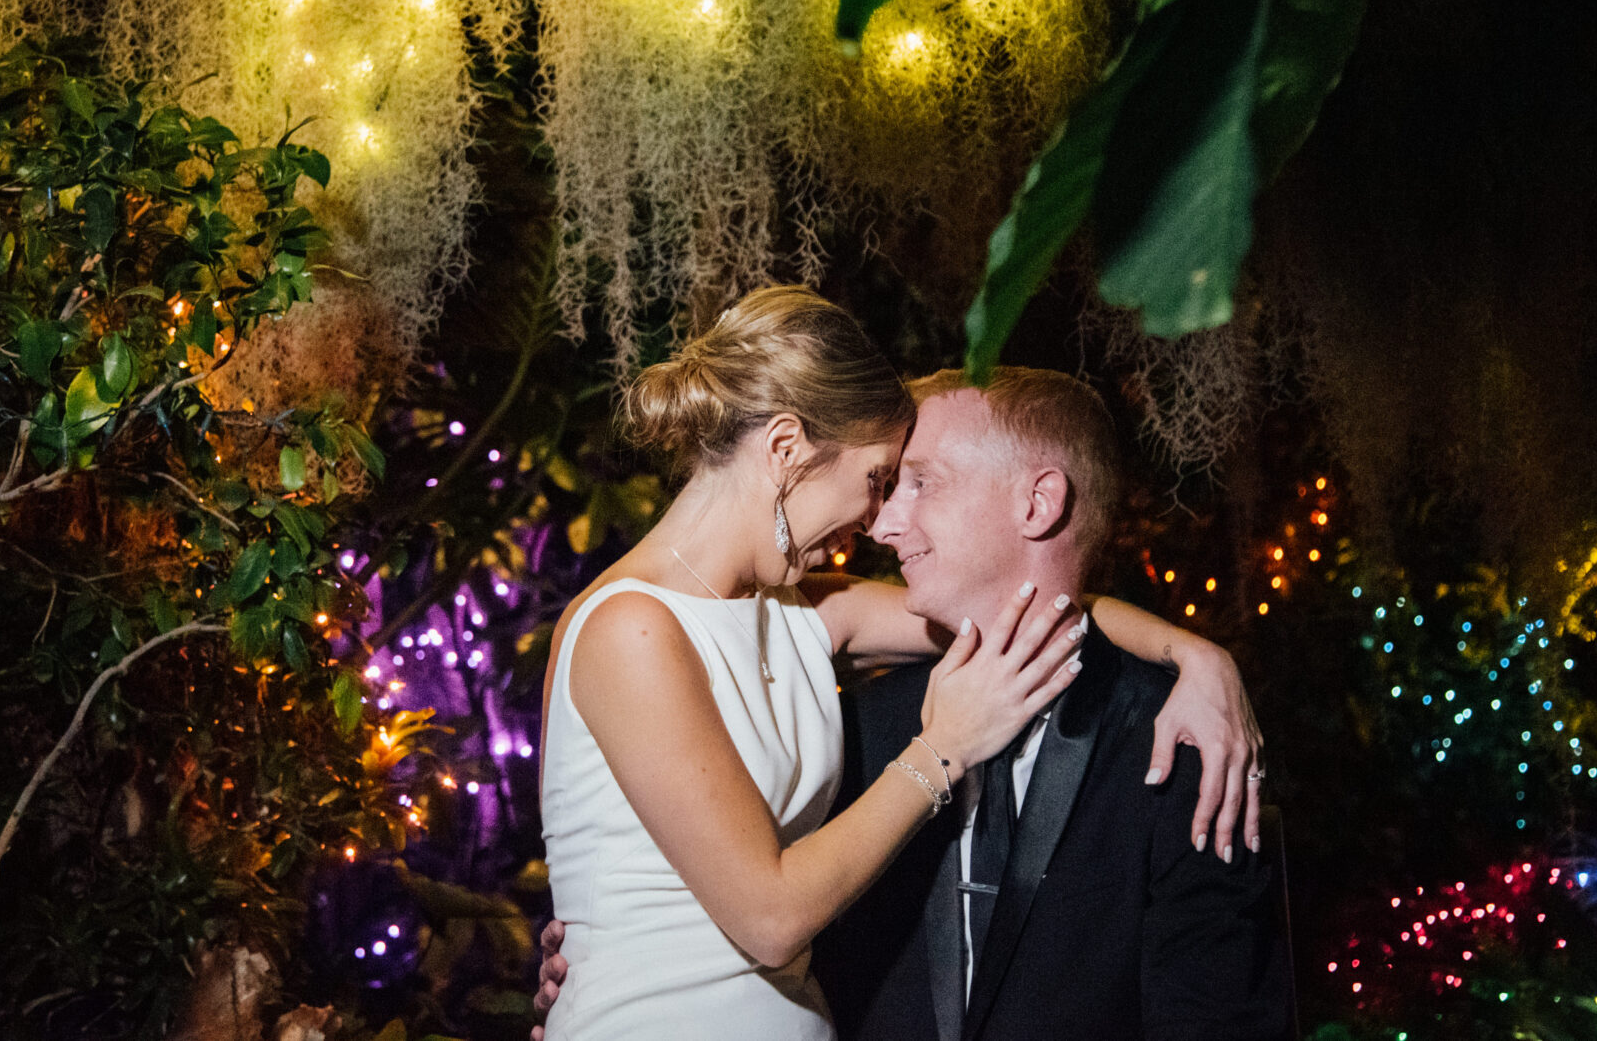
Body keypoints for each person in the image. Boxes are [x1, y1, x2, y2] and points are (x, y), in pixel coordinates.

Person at [534, 288, 1261, 1039]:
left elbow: (1028, 608)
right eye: (877, 478)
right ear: (786, 450)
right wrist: (941, 751)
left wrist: (1198, 658)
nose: (876, 522)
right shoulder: (633, 628)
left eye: (898, 484)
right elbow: (771, 918)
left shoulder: (806, 614)